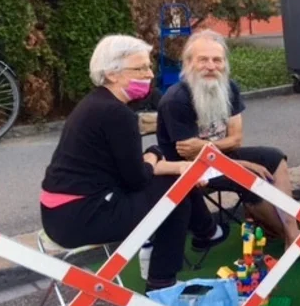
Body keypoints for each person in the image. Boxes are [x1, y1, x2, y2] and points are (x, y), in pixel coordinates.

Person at [40, 35, 228, 292]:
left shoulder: (94, 103)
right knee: (176, 197)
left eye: (148, 67)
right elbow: (137, 178)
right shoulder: (118, 114)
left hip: (61, 214)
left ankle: (204, 233)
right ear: (112, 74)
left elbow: (126, 169)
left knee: (175, 183)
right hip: (82, 217)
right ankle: (163, 282)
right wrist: (153, 155)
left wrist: (176, 167)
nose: (149, 74)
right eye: (140, 68)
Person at [156, 30, 300, 260]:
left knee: (274, 157)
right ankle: (284, 232)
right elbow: (189, 156)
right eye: (203, 59)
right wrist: (242, 162)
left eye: (217, 60)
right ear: (188, 63)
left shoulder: (229, 87)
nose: (211, 66)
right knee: (250, 176)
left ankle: (292, 234)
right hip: (189, 173)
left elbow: (236, 139)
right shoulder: (176, 99)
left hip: (221, 157)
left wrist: (207, 146)